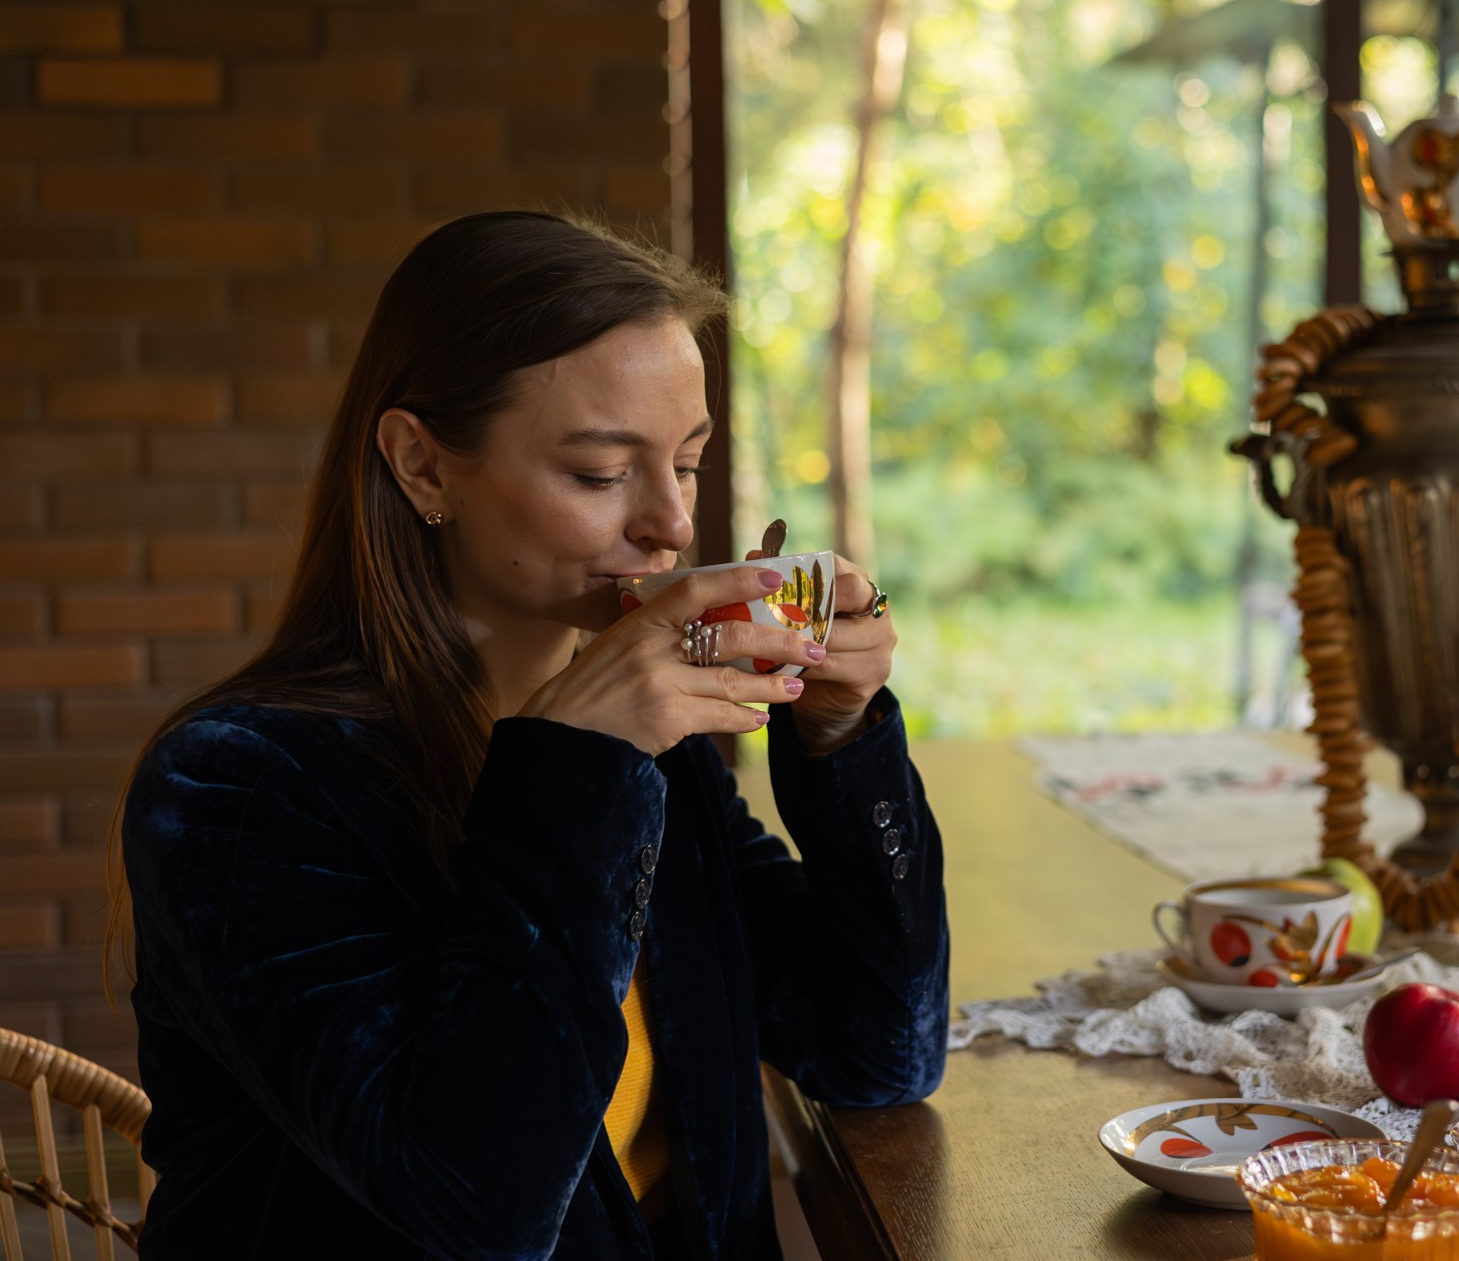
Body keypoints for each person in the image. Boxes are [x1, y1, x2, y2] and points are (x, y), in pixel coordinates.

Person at [114, 212, 949, 1260]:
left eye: (684, 464)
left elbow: (876, 1051)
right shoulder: (241, 787)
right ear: (422, 466)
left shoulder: (654, 744)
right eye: (601, 473)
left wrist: (838, 740)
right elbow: (478, 1210)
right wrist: (574, 767)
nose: (670, 525)